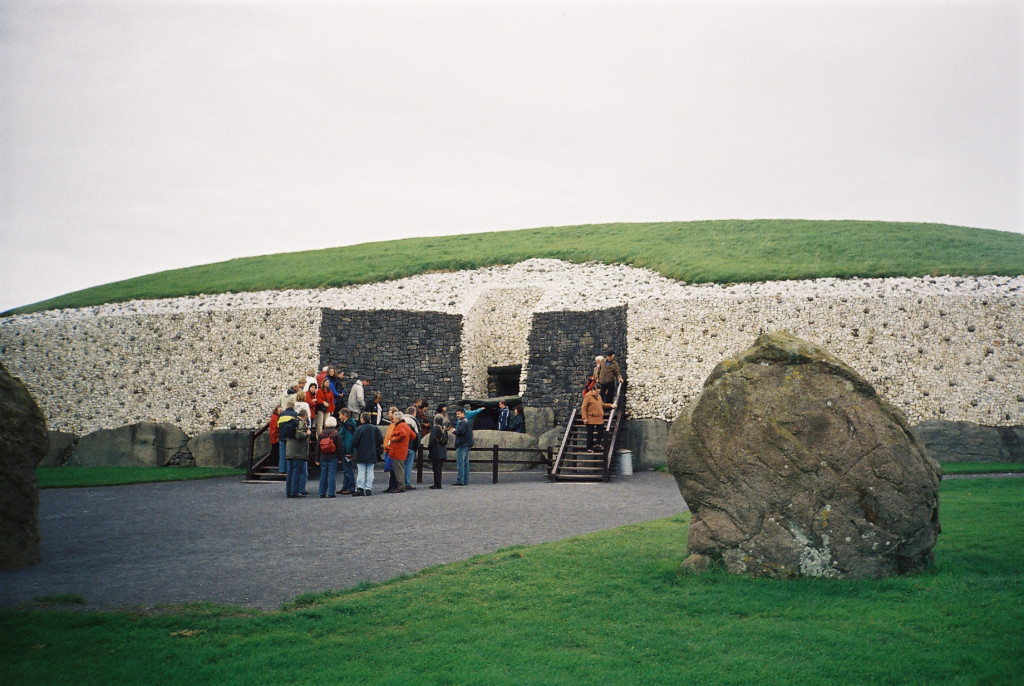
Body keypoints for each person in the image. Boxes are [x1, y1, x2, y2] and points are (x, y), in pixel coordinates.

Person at [384, 410, 415, 493]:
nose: (393, 419)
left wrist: (394, 439)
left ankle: (401, 486)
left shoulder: (399, 426)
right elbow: (413, 435)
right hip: (403, 450)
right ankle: (401, 485)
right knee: (401, 469)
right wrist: (405, 441)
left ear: (398, 418)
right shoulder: (406, 425)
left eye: (394, 418)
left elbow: (403, 434)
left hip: (397, 451)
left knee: (398, 470)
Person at [352, 411, 382, 496]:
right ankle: (368, 488)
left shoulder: (359, 429)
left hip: (361, 452)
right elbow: (380, 440)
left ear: (363, 419)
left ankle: (360, 488)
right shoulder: (375, 428)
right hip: (372, 452)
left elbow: (354, 441)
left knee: (361, 471)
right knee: (370, 471)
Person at [285, 409, 311, 497]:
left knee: (290, 472)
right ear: (305, 416)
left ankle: (289, 491)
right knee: (297, 472)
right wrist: (307, 433)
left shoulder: (291, 422)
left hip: (290, 451)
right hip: (298, 451)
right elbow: (299, 435)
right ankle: (295, 492)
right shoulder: (300, 423)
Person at [582, 386, 612, 452]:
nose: (598, 393)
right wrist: (584, 418)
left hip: (599, 418)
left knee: (601, 431)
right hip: (590, 418)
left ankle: (597, 444)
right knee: (590, 434)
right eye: (597, 391)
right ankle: (589, 448)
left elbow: (602, 404)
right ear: (593, 390)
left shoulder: (599, 396)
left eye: (599, 391)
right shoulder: (588, 396)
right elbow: (584, 407)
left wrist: (610, 405)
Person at [317, 416, 340, 498]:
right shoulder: (336, 433)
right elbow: (339, 447)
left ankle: (322, 492)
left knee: (323, 474)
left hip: (323, 456)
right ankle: (331, 493)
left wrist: (317, 458)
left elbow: (318, 447)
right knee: (331, 474)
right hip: (333, 456)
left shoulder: (321, 433)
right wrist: (340, 458)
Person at [337, 408, 358, 495]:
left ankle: (350, 487)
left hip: (346, 451)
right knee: (345, 470)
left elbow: (348, 439)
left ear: (345, 415)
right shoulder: (348, 424)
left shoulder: (348, 425)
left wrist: (348, 451)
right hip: (345, 450)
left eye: (340, 415)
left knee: (348, 470)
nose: (339, 417)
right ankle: (345, 487)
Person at [428, 410, 449, 489]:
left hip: (436, 451)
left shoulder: (435, 428)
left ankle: (436, 484)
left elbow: (432, 440)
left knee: (435, 468)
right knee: (439, 468)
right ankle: (438, 483)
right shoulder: (444, 428)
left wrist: (429, 448)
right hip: (442, 450)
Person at [453, 407, 474, 486]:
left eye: (458, 414)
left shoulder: (463, 422)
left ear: (463, 413)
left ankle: (460, 480)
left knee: (461, 463)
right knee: (465, 463)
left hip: (462, 444)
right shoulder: (467, 421)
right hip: (467, 444)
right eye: (456, 414)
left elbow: (460, 432)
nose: (457, 415)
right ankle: (465, 480)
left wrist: (453, 431)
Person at [402, 406, 420, 490]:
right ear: (414, 413)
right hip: (410, 446)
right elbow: (417, 435)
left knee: (400, 466)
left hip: (401, 446)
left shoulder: (401, 419)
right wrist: (416, 447)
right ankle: (407, 483)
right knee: (408, 466)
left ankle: (400, 482)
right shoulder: (414, 421)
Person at [269, 406, 282, 473]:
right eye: (279, 410)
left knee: (275, 449)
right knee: (275, 450)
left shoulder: (275, 417)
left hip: (274, 436)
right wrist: (277, 436)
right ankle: (273, 463)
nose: (280, 411)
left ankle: (273, 462)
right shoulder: (275, 417)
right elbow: (274, 428)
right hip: (275, 436)